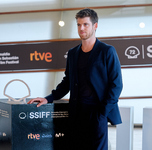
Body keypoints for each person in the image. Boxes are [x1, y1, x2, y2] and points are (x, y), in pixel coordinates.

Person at [28, 8, 123, 150]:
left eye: (85, 24)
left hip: (97, 113)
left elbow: (116, 85)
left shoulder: (107, 51)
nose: (81, 28)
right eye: (78, 25)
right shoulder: (73, 53)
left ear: (95, 26)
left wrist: (102, 113)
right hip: (76, 113)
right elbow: (67, 82)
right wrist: (48, 98)